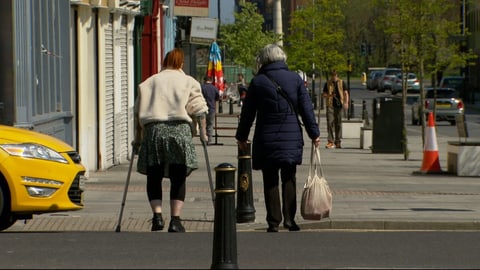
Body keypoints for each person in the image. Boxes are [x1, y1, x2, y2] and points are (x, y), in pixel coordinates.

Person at [235, 44, 321, 233]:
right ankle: (290, 220)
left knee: (270, 179)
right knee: (289, 177)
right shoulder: (295, 79)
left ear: (264, 60)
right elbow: (306, 109)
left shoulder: (258, 82)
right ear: (282, 58)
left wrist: (241, 137)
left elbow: (247, 113)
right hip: (291, 137)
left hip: (266, 137)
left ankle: (273, 221)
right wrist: (314, 133)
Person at [133, 48, 208, 232]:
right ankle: (175, 220)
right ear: (181, 63)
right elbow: (199, 109)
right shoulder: (188, 81)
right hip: (179, 130)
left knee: (154, 176)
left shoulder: (149, 83)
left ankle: (157, 216)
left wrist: (138, 139)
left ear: (164, 62)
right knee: (178, 176)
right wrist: (204, 133)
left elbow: (137, 113)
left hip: (154, 131)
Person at [322, 70, 349, 149]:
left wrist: (346, 102)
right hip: (330, 105)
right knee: (330, 122)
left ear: (337, 76)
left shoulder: (342, 82)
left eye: (335, 75)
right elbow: (324, 94)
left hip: (339, 105)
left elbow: (345, 93)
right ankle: (330, 141)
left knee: (338, 123)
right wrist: (330, 95)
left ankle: (338, 141)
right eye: (332, 75)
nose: (334, 77)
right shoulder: (327, 83)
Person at [201, 76, 220, 144]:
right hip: (212, 108)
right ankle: (209, 139)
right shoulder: (214, 88)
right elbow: (217, 98)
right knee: (210, 124)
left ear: (204, 80)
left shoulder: (202, 87)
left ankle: (203, 139)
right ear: (211, 80)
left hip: (203, 108)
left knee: (203, 124)